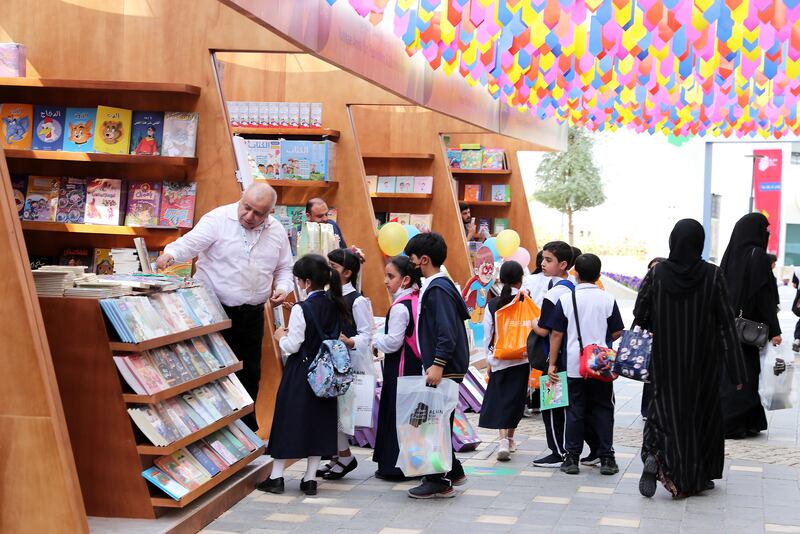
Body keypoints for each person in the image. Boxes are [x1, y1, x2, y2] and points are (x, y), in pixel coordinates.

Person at [156, 183, 292, 429]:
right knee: (210, 373)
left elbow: (285, 267)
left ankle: (246, 433)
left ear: (270, 213)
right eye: (246, 208)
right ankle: (207, 430)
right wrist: (171, 254)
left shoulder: (277, 231)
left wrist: (283, 287)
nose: (249, 216)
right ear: (241, 199)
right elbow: (190, 243)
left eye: (258, 213)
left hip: (251, 314)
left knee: (249, 373)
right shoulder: (218, 218)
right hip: (211, 310)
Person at [633, 219, 745, 499]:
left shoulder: (657, 274)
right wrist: (738, 372)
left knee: (665, 413)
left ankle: (657, 458)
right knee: (700, 417)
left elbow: (640, 313)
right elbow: (726, 324)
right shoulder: (713, 275)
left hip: (666, 359)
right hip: (704, 363)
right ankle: (697, 476)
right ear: (700, 242)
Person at [256, 254, 351, 496]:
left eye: (298, 279)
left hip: (301, 372)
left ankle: (276, 477)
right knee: (318, 424)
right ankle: (310, 479)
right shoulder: (335, 303)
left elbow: (293, 346)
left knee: (287, 422)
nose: (297, 283)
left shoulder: (302, 308)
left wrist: (280, 337)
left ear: (307, 282)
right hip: (325, 374)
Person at [544, 253, 624, 476]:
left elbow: (556, 334)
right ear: (599, 275)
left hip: (573, 364)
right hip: (601, 365)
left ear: (575, 274)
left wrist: (552, 364)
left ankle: (571, 459)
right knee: (603, 409)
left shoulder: (567, 300)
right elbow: (617, 330)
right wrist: (603, 344)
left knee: (575, 411)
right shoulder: (607, 299)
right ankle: (607, 458)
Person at [404, 232, 470, 498]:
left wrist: (438, 364)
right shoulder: (439, 286)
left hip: (443, 367)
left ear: (424, 259)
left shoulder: (438, 289)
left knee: (434, 421)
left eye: (412, 259)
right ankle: (453, 470)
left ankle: (438, 479)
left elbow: (446, 332)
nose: (410, 263)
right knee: (439, 419)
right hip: (443, 366)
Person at [719, 213, 782, 439]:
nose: (768, 233)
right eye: (765, 229)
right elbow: (763, 297)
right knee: (747, 373)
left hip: (727, 326)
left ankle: (745, 421)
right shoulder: (757, 256)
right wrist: (775, 331)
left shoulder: (730, 255)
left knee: (730, 375)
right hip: (748, 330)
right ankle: (735, 424)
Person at [316, 248, 373, 480]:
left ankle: (346, 456)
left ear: (347, 272)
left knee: (340, 412)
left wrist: (349, 341)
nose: (328, 271)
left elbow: (367, 334)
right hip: (330, 362)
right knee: (332, 410)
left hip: (347, 364)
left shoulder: (356, 300)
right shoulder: (329, 295)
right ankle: (338, 456)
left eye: (333, 267)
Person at [372, 256, 423, 480]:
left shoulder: (400, 307)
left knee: (397, 412)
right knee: (410, 415)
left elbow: (393, 342)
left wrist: (374, 341)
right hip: (414, 365)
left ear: (406, 279)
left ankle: (394, 466)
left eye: (391, 276)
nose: (386, 281)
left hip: (400, 367)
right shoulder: (416, 299)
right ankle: (412, 464)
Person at [479, 260, 531, 461]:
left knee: (501, 399)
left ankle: (502, 441)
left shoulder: (493, 305)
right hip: (522, 358)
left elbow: (487, 335)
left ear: (500, 279)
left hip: (500, 358)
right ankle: (510, 438)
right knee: (516, 400)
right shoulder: (526, 301)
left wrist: (489, 360)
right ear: (521, 278)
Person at [530, 241, 574, 468]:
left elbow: (546, 329)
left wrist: (532, 323)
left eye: (548, 260)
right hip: (573, 356)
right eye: (543, 258)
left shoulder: (554, 292)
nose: (542, 263)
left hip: (553, 358)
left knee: (553, 407)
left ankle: (558, 451)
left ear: (563, 264)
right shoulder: (574, 286)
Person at [640, 257, 667, 420]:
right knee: (649, 375)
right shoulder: (647, 288)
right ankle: (647, 410)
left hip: (666, 338)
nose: (653, 272)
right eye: (650, 269)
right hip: (650, 336)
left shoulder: (670, 289)